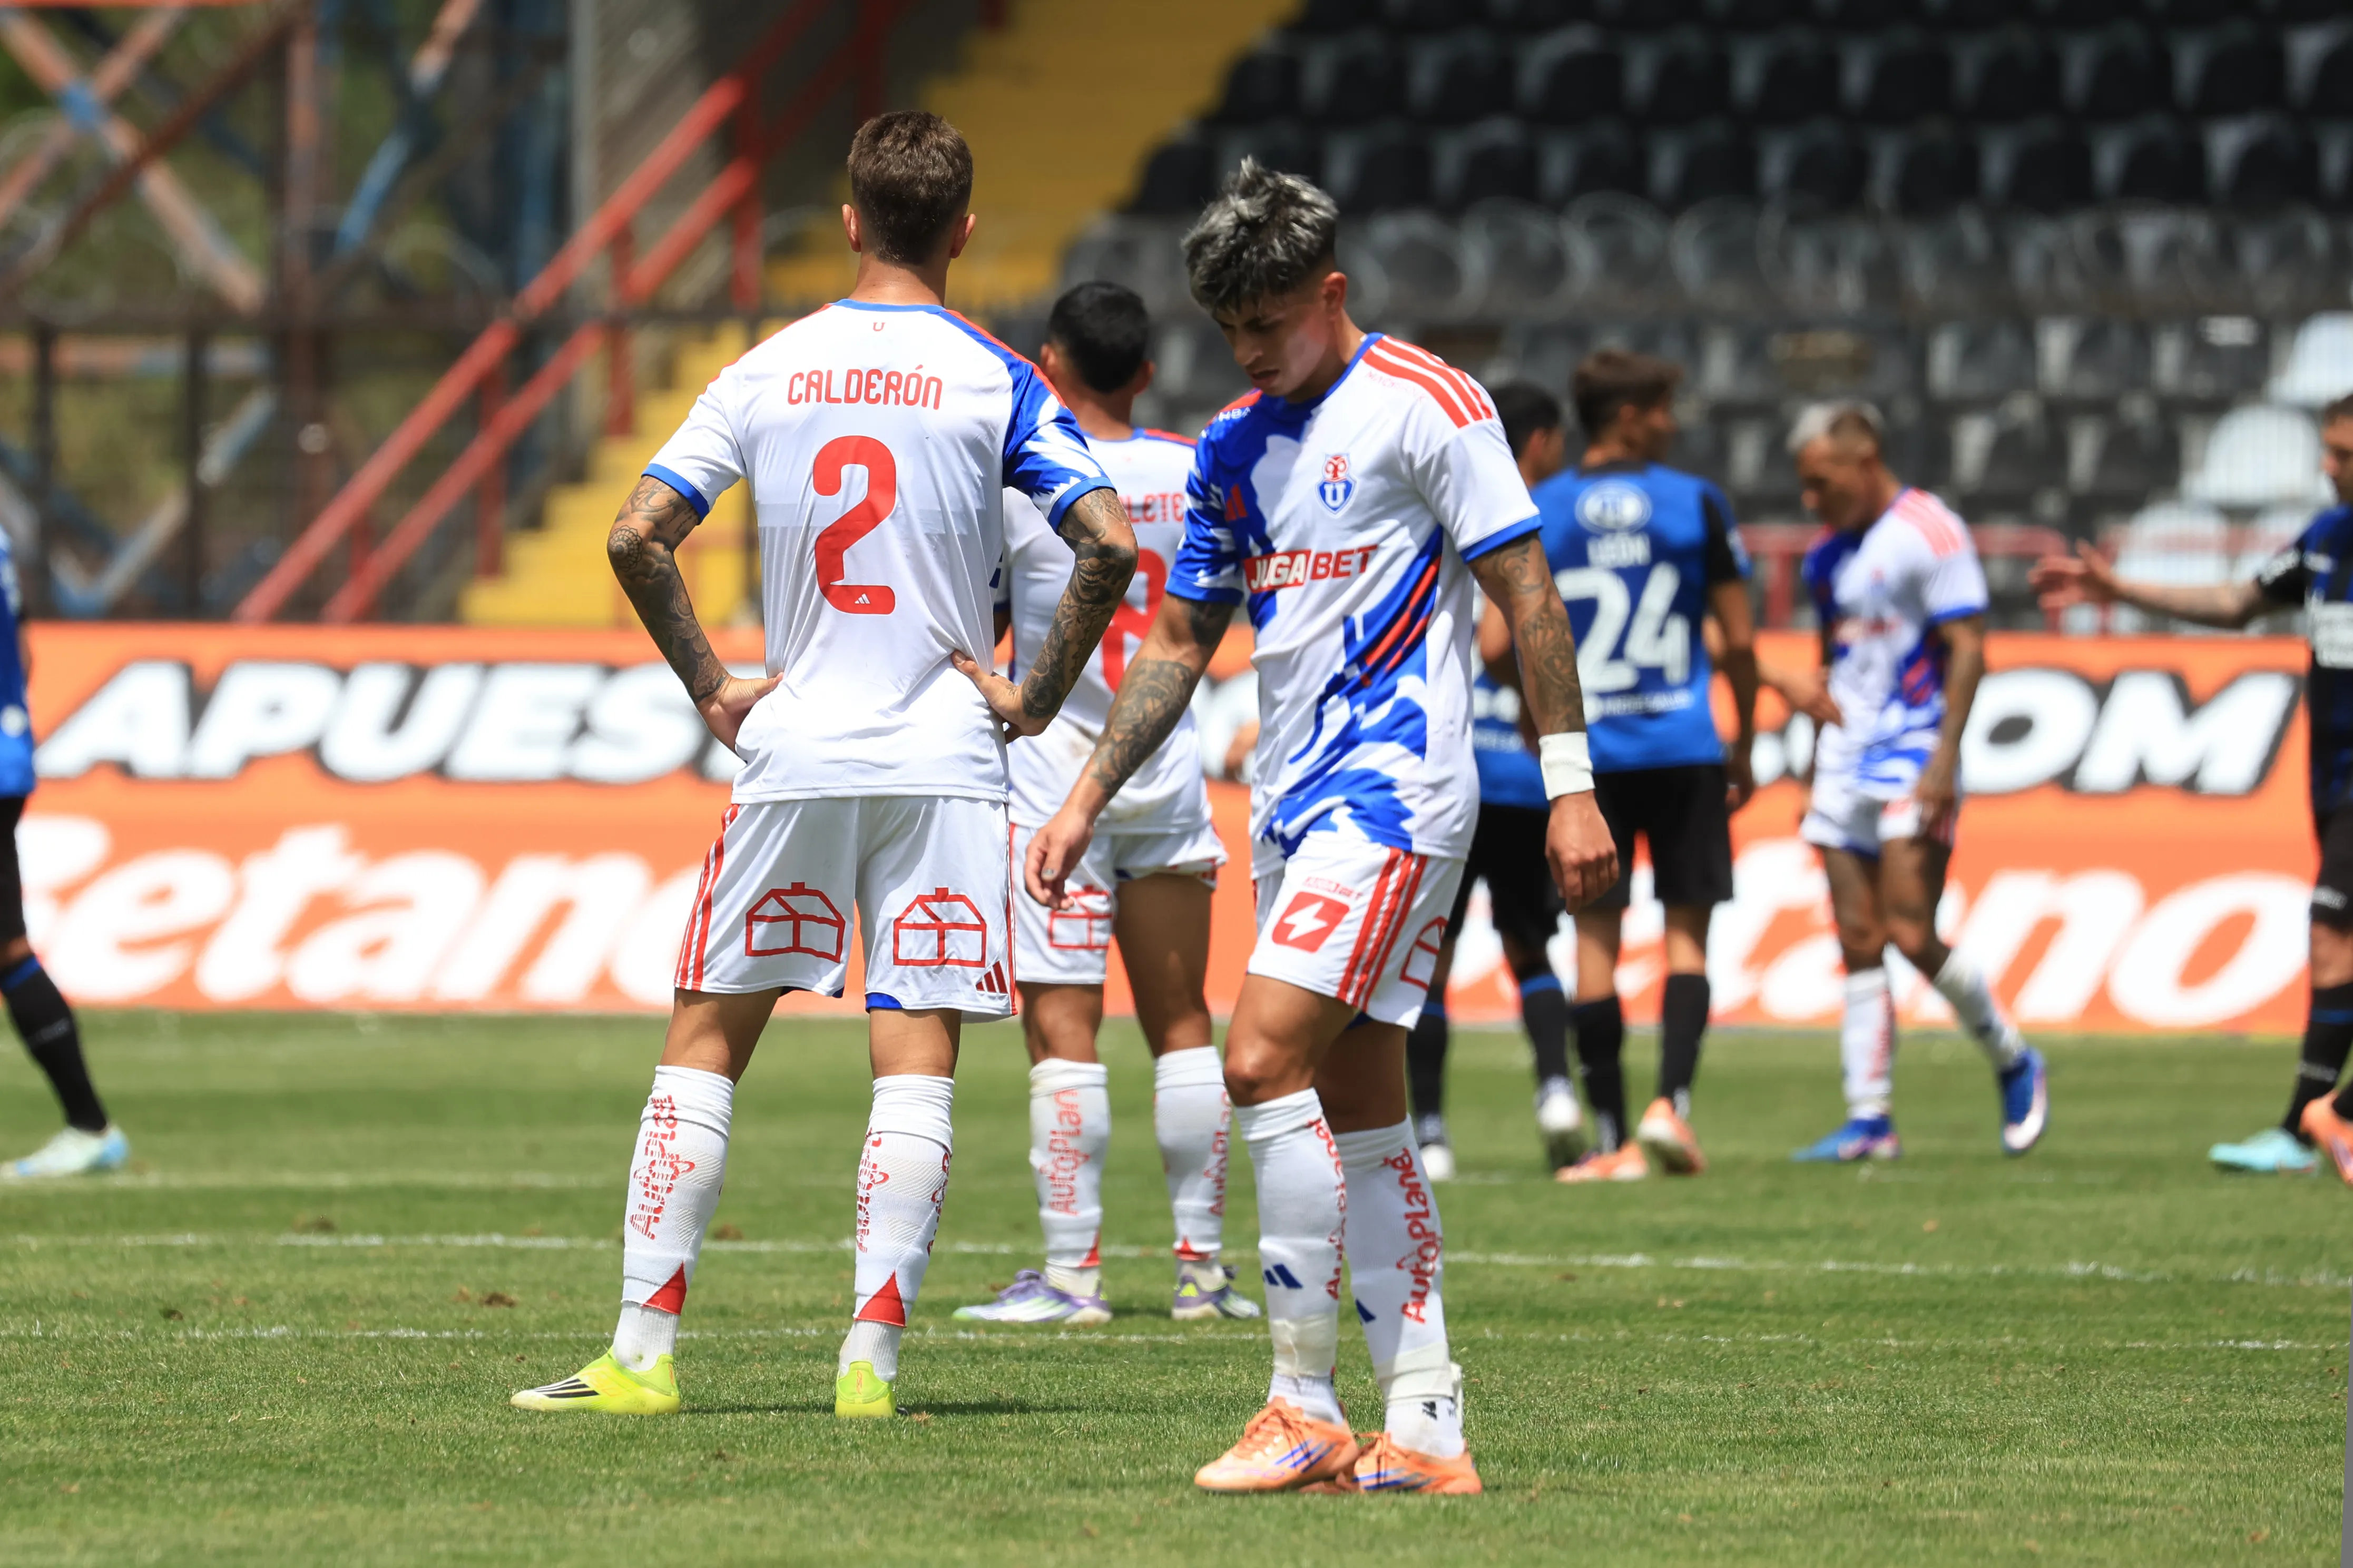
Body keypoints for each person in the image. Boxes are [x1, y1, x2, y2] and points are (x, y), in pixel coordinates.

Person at [511, 112, 1135, 1420]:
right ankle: (870, 1362)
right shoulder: (996, 379)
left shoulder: (767, 369)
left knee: (704, 1043)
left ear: (849, 220)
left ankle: (642, 1352)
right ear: (962, 230)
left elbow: (636, 537)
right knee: (916, 1061)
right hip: (949, 765)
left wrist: (710, 683)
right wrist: (1033, 697)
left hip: (793, 752)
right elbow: (1110, 545)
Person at [1025, 160, 1617, 1496]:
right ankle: (1429, 1426)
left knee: (1257, 1058)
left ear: (1332, 293)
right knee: (1363, 1113)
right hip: (1292, 805)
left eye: (1273, 323)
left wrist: (1570, 780)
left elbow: (1526, 591)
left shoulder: (1427, 408)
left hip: (1398, 797)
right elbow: (1184, 637)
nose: (1252, 351)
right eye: (1232, 331)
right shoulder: (1235, 444)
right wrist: (1080, 796)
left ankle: (1300, 1403)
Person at [953, 282, 1257, 1326]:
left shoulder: (1025, 483)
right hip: (1163, 767)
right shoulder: (1194, 471)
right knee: (1182, 1025)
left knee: (1063, 1032)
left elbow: (985, 617)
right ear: (1148, 371)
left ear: (1045, 364)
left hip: (1052, 782)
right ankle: (1204, 1276)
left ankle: (1075, 1281)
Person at [2033, 391, 2353, 1182]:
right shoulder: (2326, 541)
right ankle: (2311, 1127)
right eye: (2326, 448)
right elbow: (2238, 602)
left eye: (2342, 453)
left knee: (2331, 937)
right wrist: (2122, 594)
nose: (2325, 465)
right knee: (2333, 943)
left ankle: (2324, 1119)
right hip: (2333, 780)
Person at [1516, 349, 1761, 1184]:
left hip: (1591, 758)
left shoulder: (1540, 509)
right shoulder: (1694, 502)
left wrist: (1540, 743)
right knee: (1686, 938)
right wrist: (1747, 740)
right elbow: (1737, 641)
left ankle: (1613, 1138)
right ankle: (1671, 1111)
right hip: (1684, 745)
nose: (1671, 423)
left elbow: (1515, 637)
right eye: (1661, 409)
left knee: (1593, 947)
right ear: (1629, 415)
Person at [1784, 401, 2046, 1163]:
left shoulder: (1929, 529)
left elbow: (1968, 647)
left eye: (1819, 481)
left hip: (1910, 748)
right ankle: (1869, 1121)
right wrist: (1811, 756)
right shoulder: (1825, 554)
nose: (1810, 499)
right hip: (1842, 755)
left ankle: (2013, 1057)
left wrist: (1943, 759)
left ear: (1863, 455)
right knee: (1856, 937)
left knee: (1907, 931)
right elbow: (1828, 657)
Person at [1405, 381, 1584, 1181]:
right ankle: (1554, 1092)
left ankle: (1433, 1133)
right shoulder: (1523, 510)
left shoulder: (1432, 494)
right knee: (1528, 944)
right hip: (1515, 773)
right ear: (1536, 441)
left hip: (1450, 767)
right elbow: (1505, 630)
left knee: (1429, 960)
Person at [0, 529, 122, 1181]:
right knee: (8, 947)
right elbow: (23, 649)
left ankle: (90, 1126)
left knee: (10, 946)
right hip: (8, 753)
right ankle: (88, 1125)